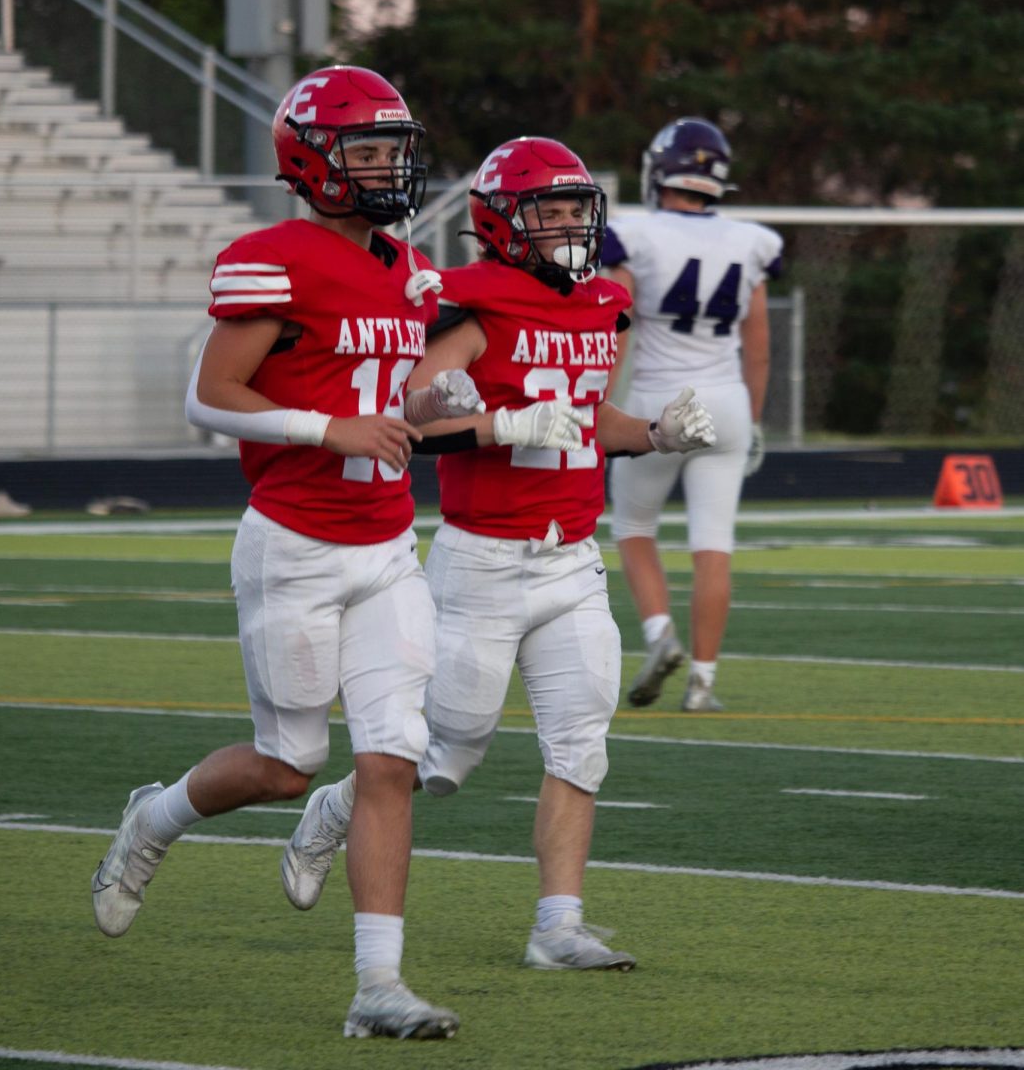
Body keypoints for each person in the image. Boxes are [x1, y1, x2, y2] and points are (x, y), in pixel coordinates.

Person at [90, 66, 583, 1042]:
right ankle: (153, 820)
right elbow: (209, 396)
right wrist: (331, 429)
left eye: (393, 147)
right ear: (309, 162)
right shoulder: (273, 258)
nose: (387, 166)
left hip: (389, 543)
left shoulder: (409, 271)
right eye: (364, 149)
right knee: (286, 765)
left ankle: (377, 988)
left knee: (392, 758)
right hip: (296, 545)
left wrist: (461, 410)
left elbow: (396, 402)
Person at [278, 137, 716, 973]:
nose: (568, 226)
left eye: (575, 209)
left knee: (582, 743)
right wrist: (499, 424)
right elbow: (416, 415)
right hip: (482, 559)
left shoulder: (597, 304)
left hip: (571, 562)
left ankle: (557, 926)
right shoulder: (470, 302)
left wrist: (655, 432)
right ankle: (335, 811)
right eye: (548, 211)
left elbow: (588, 421)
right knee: (445, 757)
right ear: (503, 221)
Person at [600, 117, 783, 712]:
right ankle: (703, 683)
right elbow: (758, 344)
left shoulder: (636, 234)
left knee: (633, 528)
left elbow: (617, 326)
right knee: (714, 544)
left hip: (660, 399)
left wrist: (598, 400)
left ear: (660, 173)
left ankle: (660, 634)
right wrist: (751, 418)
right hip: (726, 399)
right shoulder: (750, 240)